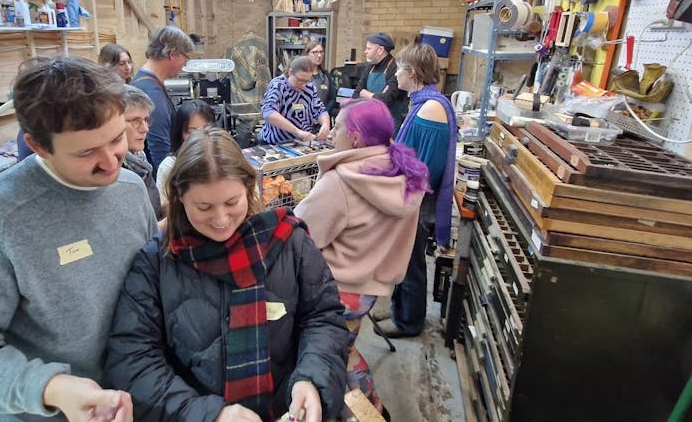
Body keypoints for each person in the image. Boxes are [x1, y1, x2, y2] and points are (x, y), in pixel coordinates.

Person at [0, 56, 155, 422]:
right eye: (86, 152)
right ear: (38, 146)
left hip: (134, 397)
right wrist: (53, 388)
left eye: (115, 139)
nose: (111, 162)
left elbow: (148, 287)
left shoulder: (129, 189)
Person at [104, 128, 349, 422]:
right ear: (180, 198)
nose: (221, 220)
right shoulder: (155, 262)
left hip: (283, 410)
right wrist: (208, 414)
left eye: (231, 203)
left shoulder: (290, 243)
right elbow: (133, 360)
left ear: (248, 187)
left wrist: (311, 378)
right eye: (204, 207)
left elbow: (323, 318)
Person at [294, 98, 428, 415]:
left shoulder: (341, 182)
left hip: (335, 291)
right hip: (368, 290)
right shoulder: (403, 172)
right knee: (344, 350)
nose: (331, 132)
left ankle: (370, 412)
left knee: (335, 356)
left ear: (355, 137)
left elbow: (301, 237)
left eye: (338, 126)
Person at [374, 44, 457, 339]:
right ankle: (399, 309)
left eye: (398, 69)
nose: (395, 74)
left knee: (411, 263)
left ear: (411, 72)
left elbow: (426, 168)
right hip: (411, 196)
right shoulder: (422, 102)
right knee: (403, 259)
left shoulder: (432, 109)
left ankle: (409, 322)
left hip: (416, 201)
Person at [132, 26, 195, 171]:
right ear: (172, 54)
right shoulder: (152, 92)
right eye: (185, 57)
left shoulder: (145, 81)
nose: (185, 63)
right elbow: (160, 150)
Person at [156, 99, 216, 207]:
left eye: (206, 129)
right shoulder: (169, 166)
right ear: (180, 133)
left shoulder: (222, 160)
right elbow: (164, 207)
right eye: (192, 131)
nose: (199, 136)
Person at [259, 56, 331, 144]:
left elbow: (320, 110)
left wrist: (325, 125)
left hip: (301, 142)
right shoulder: (278, 85)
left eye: (307, 81)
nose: (303, 85)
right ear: (290, 72)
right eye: (300, 80)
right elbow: (269, 112)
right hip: (276, 143)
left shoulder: (310, 87)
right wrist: (297, 132)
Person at [122, 84, 164, 221]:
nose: (145, 128)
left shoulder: (139, 157)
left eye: (146, 120)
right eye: (136, 121)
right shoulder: (113, 170)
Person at [353, 32, 408, 128]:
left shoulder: (395, 68)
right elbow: (357, 93)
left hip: (389, 124)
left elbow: (386, 99)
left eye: (369, 48)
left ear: (380, 50)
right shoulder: (370, 67)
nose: (365, 51)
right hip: (370, 121)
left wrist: (367, 94)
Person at [303, 40, 337, 118]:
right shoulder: (301, 75)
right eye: (315, 52)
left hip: (323, 119)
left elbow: (332, 99)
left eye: (321, 52)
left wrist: (322, 114)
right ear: (307, 54)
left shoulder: (326, 75)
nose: (319, 55)